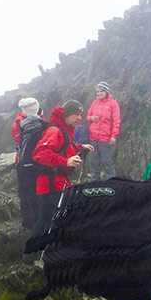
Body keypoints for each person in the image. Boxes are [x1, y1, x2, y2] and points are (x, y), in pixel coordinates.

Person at [31, 101, 93, 237]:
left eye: (80, 114)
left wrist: (81, 148)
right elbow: (40, 154)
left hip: (58, 182)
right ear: (67, 114)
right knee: (46, 220)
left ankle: (48, 250)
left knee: (53, 218)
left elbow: (65, 147)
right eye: (76, 114)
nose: (79, 118)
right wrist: (66, 162)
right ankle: (33, 254)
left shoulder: (64, 130)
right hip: (50, 184)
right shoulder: (55, 130)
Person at [12, 98, 40, 231]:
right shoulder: (42, 123)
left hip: (23, 162)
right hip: (37, 163)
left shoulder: (18, 122)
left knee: (25, 193)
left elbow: (17, 140)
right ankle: (35, 221)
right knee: (35, 192)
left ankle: (28, 222)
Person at [87, 82, 121, 180]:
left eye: (101, 91)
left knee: (107, 161)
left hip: (105, 138)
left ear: (106, 91)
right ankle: (94, 183)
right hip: (93, 138)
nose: (99, 93)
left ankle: (111, 182)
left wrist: (114, 136)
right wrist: (92, 118)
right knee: (94, 162)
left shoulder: (113, 103)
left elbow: (116, 121)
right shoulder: (94, 102)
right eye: (97, 91)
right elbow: (88, 117)